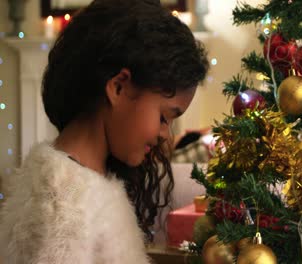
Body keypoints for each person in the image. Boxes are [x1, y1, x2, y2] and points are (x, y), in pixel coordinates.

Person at [0, 0, 208, 262]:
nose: (165, 134)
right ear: (119, 87)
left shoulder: (90, 183)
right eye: (164, 116)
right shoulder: (64, 207)